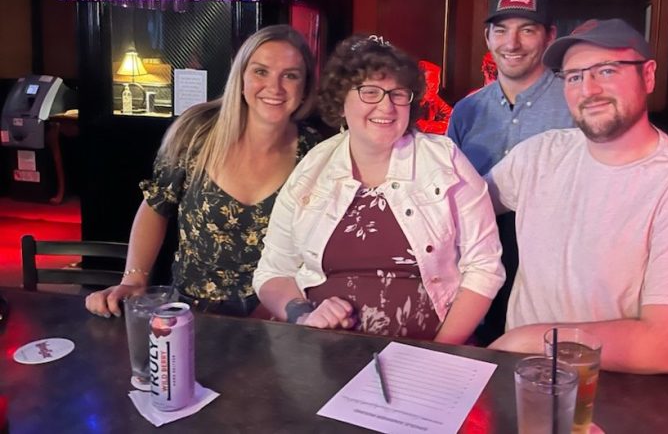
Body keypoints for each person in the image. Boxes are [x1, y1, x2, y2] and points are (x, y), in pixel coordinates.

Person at [486, 18, 668, 377]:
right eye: (574, 77)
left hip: (644, 390)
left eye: (606, 70)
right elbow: (459, 207)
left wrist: (526, 341)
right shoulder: (540, 155)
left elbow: (660, 349)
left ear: (648, 76)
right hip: (540, 376)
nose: (588, 89)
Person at [253, 34, 505, 344]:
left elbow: (485, 267)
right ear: (341, 101)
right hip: (325, 351)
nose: (386, 106)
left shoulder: (446, 161)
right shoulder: (312, 167)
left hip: (430, 350)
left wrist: (441, 351)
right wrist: (303, 315)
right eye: (370, 92)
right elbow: (273, 270)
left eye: (398, 94)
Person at [85, 25, 321, 318]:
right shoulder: (198, 132)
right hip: (192, 309)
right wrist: (133, 279)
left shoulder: (317, 151)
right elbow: (157, 205)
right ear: (241, 78)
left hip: (278, 313)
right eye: (261, 71)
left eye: (290, 75)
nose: (275, 87)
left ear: (305, 87)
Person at [447, 0, 574, 343]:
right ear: (488, 37)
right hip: (474, 265)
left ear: (550, 36)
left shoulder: (575, 103)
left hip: (550, 270)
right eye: (501, 30)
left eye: (527, 30)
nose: (511, 43)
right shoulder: (466, 110)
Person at [416, 60, 452, 135]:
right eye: (431, 86)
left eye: (437, 85)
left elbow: (454, 117)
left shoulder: (434, 98)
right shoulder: (407, 100)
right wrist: (442, 126)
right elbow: (416, 126)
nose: (436, 90)